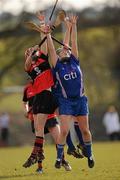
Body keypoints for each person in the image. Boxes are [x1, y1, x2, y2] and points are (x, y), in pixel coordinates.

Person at [45, 14, 95, 168]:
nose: (66, 52)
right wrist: (47, 35)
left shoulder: (74, 60)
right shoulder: (58, 65)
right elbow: (52, 49)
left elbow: (73, 42)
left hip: (80, 100)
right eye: (63, 52)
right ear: (59, 56)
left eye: (67, 51)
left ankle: (90, 154)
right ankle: (59, 159)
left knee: (85, 131)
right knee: (65, 131)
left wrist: (73, 26)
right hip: (66, 102)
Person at [22, 12, 58, 168]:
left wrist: (43, 26)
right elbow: (26, 65)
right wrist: (30, 54)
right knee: (38, 128)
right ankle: (39, 153)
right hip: (38, 96)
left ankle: (34, 155)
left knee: (40, 127)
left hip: (46, 93)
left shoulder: (42, 59)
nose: (30, 53)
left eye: (31, 52)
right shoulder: (31, 68)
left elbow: (44, 43)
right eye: (27, 53)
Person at [22, 78, 71, 172]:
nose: (31, 78)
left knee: (58, 138)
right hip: (35, 117)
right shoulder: (27, 88)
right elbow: (25, 102)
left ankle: (63, 160)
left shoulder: (45, 84)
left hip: (50, 116)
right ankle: (40, 167)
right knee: (40, 142)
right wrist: (26, 110)